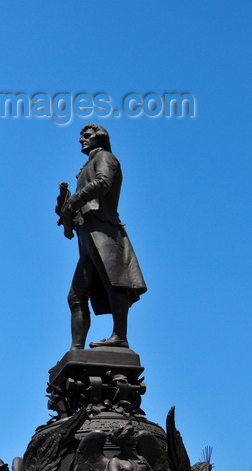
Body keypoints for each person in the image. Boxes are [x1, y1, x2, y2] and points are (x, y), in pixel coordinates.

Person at [61, 124, 147, 349]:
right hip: (87, 235)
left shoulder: (106, 157)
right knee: (76, 296)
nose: (81, 139)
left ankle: (120, 336)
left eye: (87, 136)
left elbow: (103, 183)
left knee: (115, 283)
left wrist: (76, 199)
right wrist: (66, 210)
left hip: (103, 231)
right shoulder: (87, 165)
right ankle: (76, 350)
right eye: (81, 136)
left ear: (100, 138)